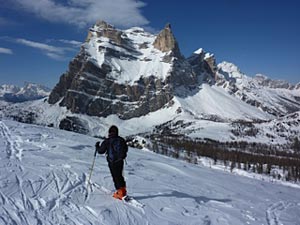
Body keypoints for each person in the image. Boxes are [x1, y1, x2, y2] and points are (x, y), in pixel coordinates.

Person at [95, 125, 128, 200]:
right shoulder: (121, 140)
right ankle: (123, 190)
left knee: (115, 177)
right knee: (120, 175)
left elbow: (101, 151)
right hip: (120, 161)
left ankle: (120, 193)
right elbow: (125, 149)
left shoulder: (107, 141)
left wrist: (97, 146)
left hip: (112, 162)